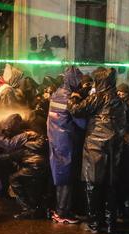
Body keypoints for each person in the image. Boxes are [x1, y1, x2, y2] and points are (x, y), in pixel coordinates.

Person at [67, 67, 127, 234]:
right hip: (114, 146)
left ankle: (94, 223)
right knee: (110, 185)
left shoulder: (98, 97)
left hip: (96, 145)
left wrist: (74, 97)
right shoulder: (119, 100)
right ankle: (110, 223)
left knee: (92, 185)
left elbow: (76, 110)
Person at [47, 66, 85, 224]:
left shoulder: (56, 94)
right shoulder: (69, 98)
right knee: (66, 176)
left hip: (55, 139)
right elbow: (81, 122)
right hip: (66, 141)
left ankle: (60, 209)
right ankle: (63, 212)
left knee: (59, 175)